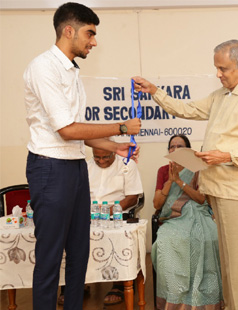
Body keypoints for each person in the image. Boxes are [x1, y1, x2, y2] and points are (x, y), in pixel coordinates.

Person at [134, 39, 238, 310]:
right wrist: (155, 91)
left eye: (223, 68)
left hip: (237, 191)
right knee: (228, 263)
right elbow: (186, 109)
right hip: (217, 190)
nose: (218, 74)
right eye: (216, 68)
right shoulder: (220, 96)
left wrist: (228, 156)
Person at [24, 3, 141, 310]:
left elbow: (79, 133)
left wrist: (116, 146)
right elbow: (66, 129)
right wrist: (120, 126)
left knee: (79, 255)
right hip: (50, 168)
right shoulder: (43, 67)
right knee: (50, 259)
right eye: (90, 33)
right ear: (69, 30)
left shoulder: (72, 71)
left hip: (75, 168)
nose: (94, 41)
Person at [58, 144, 144, 306]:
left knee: (117, 240)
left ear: (114, 152)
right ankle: (76, 284)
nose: (101, 161)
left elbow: (132, 197)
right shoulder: (85, 166)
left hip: (118, 215)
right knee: (68, 237)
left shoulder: (127, 165)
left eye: (106, 157)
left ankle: (118, 285)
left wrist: (107, 212)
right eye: (97, 157)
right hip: (87, 215)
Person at [152, 134, 223, 309]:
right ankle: (174, 297)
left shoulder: (198, 169)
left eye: (180, 146)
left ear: (188, 151)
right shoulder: (163, 171)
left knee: (209, 238)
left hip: (198, 215)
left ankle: (205, 298)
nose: (175, 149)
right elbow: (157, 204)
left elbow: (201, 199)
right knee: (164, 242)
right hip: (173, 219)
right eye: (172, 146)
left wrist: (180, 181)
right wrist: (170, 179)